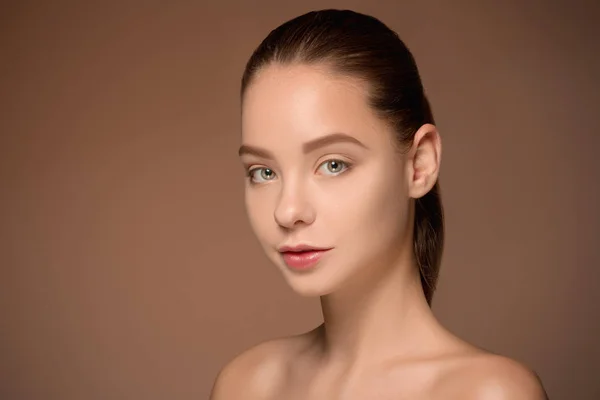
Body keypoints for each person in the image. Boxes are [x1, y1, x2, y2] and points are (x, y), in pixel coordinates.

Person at [210, 9, 548, 399]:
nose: (287, 211)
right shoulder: (247, 384)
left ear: (419, 164)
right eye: (263, 172)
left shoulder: (487, 393)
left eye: (333, 164)